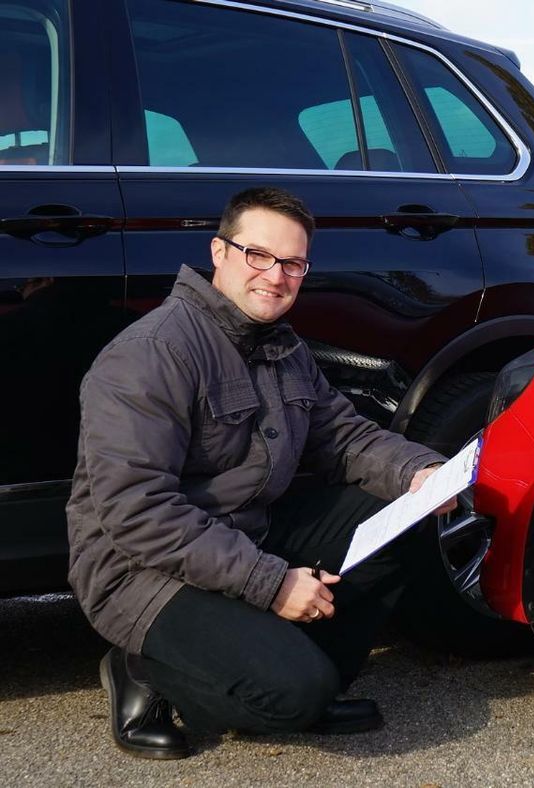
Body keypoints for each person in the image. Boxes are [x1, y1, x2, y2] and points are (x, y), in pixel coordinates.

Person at [66, 187, 452, 760]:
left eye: (292, 263)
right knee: (292, 694)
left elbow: (342, 438)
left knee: (400, 517)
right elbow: (137, 512)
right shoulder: (151, 353)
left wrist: (420, 475)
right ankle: (143, 667)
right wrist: (272, 584)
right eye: (258, 255)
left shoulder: (283, 348)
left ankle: (302, 677)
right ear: (219, 252)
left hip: (244, 534)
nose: (276, 275)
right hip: (141, 569)